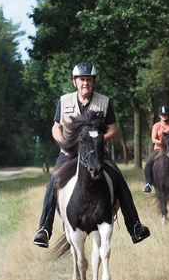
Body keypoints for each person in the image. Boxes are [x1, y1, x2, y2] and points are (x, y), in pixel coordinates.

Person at [33, 62, 151, 248]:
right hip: (69, 154)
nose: (85, 83)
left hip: (96, 153)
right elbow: (56, 127)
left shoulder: (104, 101)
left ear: (94, 82)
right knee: (53, 181)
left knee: (118, 178)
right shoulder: (64, 101)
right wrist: (63, 142)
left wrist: (97, 140)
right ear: (75, 82)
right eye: (82, 80)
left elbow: (114, 129)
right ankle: (44, 229)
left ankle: (134, 225)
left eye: (89, 80)